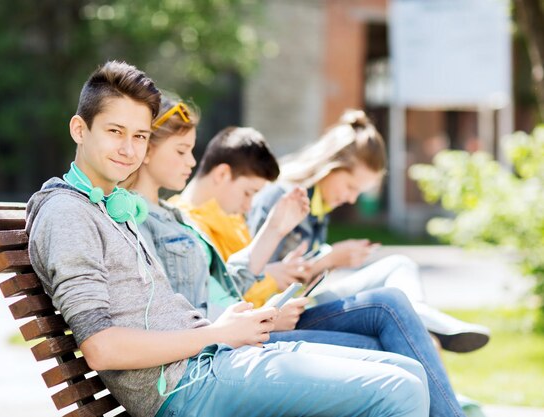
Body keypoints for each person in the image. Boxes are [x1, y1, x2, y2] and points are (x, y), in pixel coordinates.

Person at [25, 61, 430, 417]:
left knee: (408, 371)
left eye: (141, 136)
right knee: (401, 388)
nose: (129, 149)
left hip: (213, 359)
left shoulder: (113, 207)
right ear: (80, 129)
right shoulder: (68, 213)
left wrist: (223, 331)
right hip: (187, 386)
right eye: (116, 132)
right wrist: (217, 333)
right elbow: (102, 348)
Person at [133, 96, 467, 417]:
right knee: (390, 332)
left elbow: (219, 288)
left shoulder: (175, 219)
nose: (191, 161)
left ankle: (422, 325)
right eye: (181, 151)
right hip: (221, 356)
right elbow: (191, 312)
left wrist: (276, 232)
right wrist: (300, 277)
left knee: (403, 355)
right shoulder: (150, 219)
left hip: (245, 334)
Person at [245, 110, 490, 353]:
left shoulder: (319, 207)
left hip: (303, 303)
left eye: (358, 192)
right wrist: (329, 259)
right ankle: (421, 319)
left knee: (399, 265)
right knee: (391, 299)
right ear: (329, 167)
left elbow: (302, 280)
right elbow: (258, 274)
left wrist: (329, 262)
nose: (351, 198)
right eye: (350, 186)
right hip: (281, 315)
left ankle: (421, 315)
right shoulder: (283, 198)